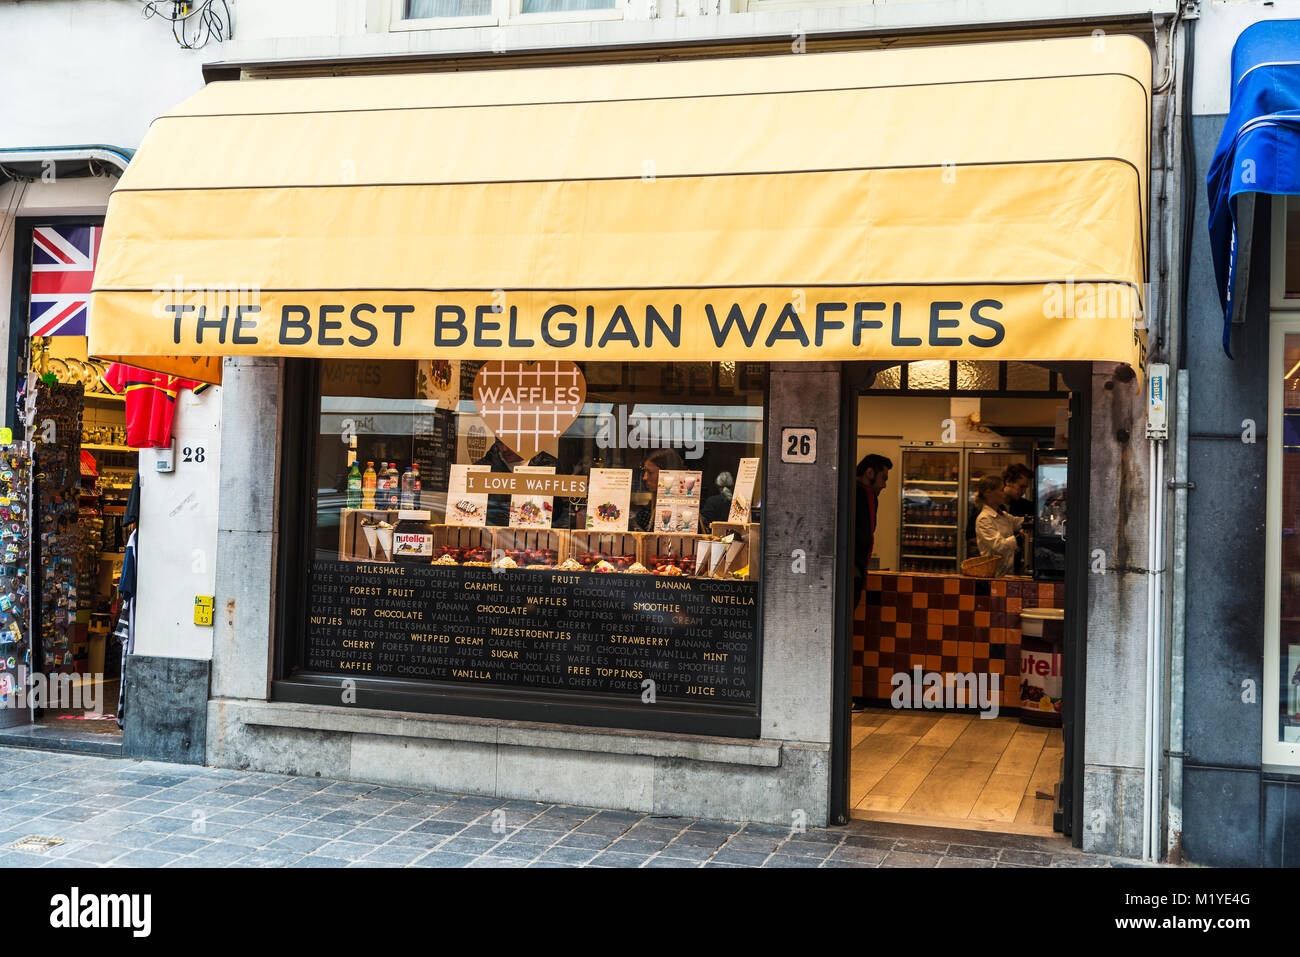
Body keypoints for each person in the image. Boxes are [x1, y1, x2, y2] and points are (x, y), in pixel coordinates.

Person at [853, 454, 892, 609]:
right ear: (870, 473)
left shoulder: (846, 489)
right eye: (884, 478)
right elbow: (867, 537)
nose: (884, 485)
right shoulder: (866, 494)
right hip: (854, 571)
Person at [974, 473, 1024, 577]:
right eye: (1001, 490)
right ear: (989, 492)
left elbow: (1018, 522)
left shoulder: (1003, 515)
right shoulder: (984, 519)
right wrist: (1019, 538)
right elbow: (999, 545)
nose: (1004, 493)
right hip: (993, 576)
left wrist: (1036, 520)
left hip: (1006, 573)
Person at [633, 448, 685, 531]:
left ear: (667, 475)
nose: (644, 477)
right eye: (645, 471)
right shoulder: (646, 514)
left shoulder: (683, 517)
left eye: (650, 472)